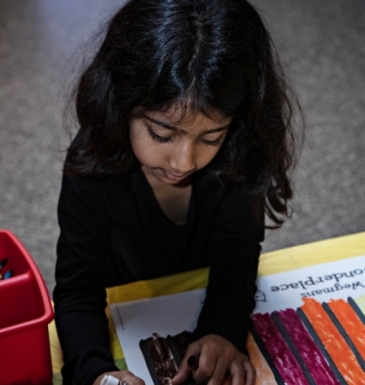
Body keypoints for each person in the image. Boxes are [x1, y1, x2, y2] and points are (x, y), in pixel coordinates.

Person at [53, 1, 301, 385]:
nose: (185, 162)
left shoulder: (243, 148)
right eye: (162, 134)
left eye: (211, 137)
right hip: (127, 297)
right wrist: (96, 372)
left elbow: (237, 250)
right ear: (121, 103)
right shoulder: (93, 165)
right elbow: (78, 289)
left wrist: (221, 329)